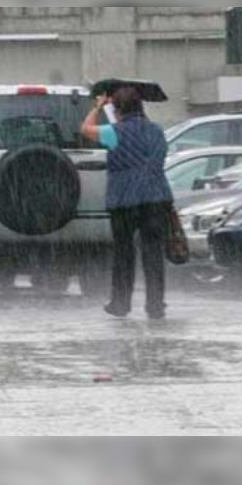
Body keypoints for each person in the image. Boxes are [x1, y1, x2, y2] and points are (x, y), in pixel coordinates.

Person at [80, 86, 173, 320]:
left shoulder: (114, 132)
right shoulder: (156, 131)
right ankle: (155, 305)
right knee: (153, 253)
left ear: (117, 110)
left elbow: (85, 129)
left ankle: (120, 303)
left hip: (124, 200)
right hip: (156, 197)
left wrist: (98, 107)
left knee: (124, 252)